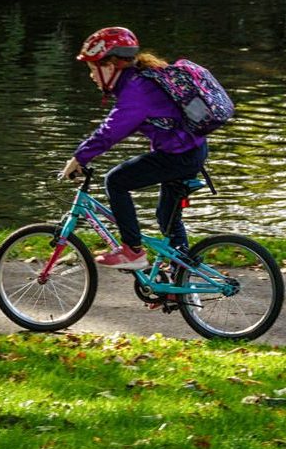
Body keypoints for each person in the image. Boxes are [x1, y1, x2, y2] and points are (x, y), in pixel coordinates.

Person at [60, 26, 208, 272]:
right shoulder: (144, 79)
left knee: (116, 180)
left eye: (92, 69)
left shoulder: (136, 91)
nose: (91, 76)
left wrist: (78, 158)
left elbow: (109, 132)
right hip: (192, 151)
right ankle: (180, 280)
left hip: (179, 156)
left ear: (109, 66)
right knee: (167, 217)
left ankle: (132, 251)